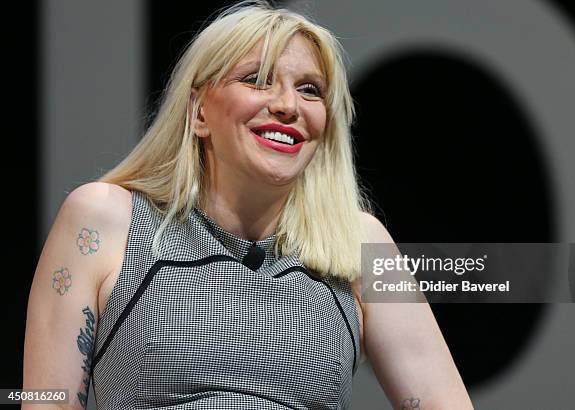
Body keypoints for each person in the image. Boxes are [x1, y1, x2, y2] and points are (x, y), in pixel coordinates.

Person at [23, 1, 473, 409]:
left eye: (310, 90)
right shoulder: (103, 219)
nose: (287, 105)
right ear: (199, 112)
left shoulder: (358, 244)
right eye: (256, 80)